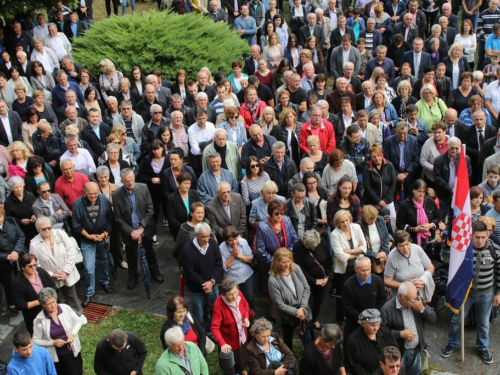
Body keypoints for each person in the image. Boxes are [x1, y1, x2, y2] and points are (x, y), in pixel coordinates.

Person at [440, 221, 500, 365]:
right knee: (457, 320)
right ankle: (452, 343)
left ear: (488, 235)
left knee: (484, 322)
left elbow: (499, 272)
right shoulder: (464, 250)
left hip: (486, 293)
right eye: (477, 237)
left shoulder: (495, 249)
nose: (480, 240)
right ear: (471, 236)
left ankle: (483, 347)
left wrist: (498, 293)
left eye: (483, 237)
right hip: (465, 294)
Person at [113, 169, 164, 290]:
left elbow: (150, 210)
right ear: (121, 181)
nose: (130, 183)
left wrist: (141, 228)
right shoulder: (116, 195)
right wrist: (131, 231)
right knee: (130, 255)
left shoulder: (143, 188)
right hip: (129, 231)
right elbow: (118, 218)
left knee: (150, 251)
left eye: (132, 180)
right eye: (127, 181)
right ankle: (132, 276)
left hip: (144, 228)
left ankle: (155, 272)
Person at [380, 281, 437, 375]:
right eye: (409, 300)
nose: (412, 302)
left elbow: (433, 319)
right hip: (400, 353)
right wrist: (400, 334)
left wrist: (422, 309)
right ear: (399, 296)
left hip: (416, 350)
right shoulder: (387, 309)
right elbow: (382, 333)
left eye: (414, 298)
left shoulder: (418, 301)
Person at [30, 217, 82, 316]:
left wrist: (66, 271)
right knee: (57, 298)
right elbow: (36, 264)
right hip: (51, 276)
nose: (47, 231)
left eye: (49, 228)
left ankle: (78, 314)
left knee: (72, 295)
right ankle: (62, 316)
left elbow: (71, 252)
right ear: (38, 229)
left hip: (67, 271)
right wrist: (51, 274)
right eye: (43, 229)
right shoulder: (34, 243)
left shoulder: (60, 234)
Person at [180, 222, 222, 333]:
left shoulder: (213, 243)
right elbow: (189, 272)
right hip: (197, 289)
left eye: (208, 236)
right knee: (198, 313)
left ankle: (213, 331)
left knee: (214, 309)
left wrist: (212, 282)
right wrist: (205, 284)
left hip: (213, 285)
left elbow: (219, 263)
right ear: (196, 234)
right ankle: (201, 334)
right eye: (203, 237)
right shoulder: (187, 249)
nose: (206, 239)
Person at [268, 247, 312, 351]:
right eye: (284, 262)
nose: (287, 265)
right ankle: (289, 360)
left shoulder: (296, 268)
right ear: (277, 262)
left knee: (309, 335)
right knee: (288, 338)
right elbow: (279, 304)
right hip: (286, 315)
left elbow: (306, 288)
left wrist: (303, 307)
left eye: (289, 261)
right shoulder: (273, 280)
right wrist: (297, 312)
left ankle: (309, 355)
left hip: (303, 308)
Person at [32, 287, 83, 375]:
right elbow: (36, 340)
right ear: (43, 305)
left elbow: (78, 321)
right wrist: (53, 342)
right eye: (49, 304)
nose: (53, 305)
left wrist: (72, 334)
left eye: (54, 302)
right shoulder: (39, 320)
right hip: (57, 356)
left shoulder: (65, 308)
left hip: (72, 350)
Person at [255, 199, 298, 301]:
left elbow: (294, 239)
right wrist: (277, 262)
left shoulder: (287, 220)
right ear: (270, 213)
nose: (280, 216)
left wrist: (286, 258)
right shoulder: (262, 226)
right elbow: (261, 251)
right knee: (273, 293)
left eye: (282, 213)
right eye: (276, 214)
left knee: (288, 290)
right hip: (270, 265)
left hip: (287, 262)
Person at [331, 209, 367, 323]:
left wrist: (348, 251)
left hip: (357, 266)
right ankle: (340, 317)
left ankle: (355, 315)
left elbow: (364, 249)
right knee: (341, 294)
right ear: (338, 223)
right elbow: (340, 256)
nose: (345, 224)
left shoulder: (356, 227)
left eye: (347, 220)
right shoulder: (334, 234)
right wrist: (355, 251)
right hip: (342, 269)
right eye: (342, 222)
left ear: (350, 219)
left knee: (357, 291)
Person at [342, 255, 387, 343]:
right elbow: (347, 308)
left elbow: (382, 300)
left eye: (368, 269)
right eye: (363, 270)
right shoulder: (348, 285)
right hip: (356, 324)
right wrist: (363, 319)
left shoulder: (377, 281)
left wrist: (373, 317)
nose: (366, 273)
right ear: (356, 269)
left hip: (374, 322)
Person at [211, 278, 252, 374]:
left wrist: (246, 317)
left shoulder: (239, 295)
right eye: (230, 294)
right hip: (230, 342)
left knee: (242, 358)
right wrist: (222, 343)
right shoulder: (218, 305)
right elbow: (214, 328)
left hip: (242, 336)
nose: (234, 296)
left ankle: (241, 370)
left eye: (235, 292)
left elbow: (246, 305)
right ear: (224, 294)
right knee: (231, 365)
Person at [293, 229, 331, 330]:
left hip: (323, 279)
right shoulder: (297, 247)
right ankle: (304, 321)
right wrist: (314, 281)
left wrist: (327, 276)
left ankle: (314, 319)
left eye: (315, 247)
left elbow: (328, 259)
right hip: (307, 281)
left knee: (319, 300)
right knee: (305, 301)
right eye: (311, 247)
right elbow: (300, 269)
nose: (313, 249)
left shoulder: (321, 241)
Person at [12, 254, 57, 336]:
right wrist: (41, 301)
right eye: (29, 266)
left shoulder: (41, 271)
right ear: (22, 267)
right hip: (34, 316)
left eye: (35, 265)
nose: (33, 268)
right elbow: (20, 305)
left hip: (51, 310)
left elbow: (52, 285)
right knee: (40, 337)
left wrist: (49, 299)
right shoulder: (18, 282)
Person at [384, 230, 435, 300]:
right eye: (401, 246)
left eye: (407, 244)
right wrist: (407, 285)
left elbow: (430, 267)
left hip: (419, 294)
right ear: (396, 246)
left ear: (411, 241)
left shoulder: (417, 249)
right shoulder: (392, 257)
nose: (405, 248)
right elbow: (387, 281)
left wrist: (422, 280)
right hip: (402, 296)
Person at [345, 308, 398, 375]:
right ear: (363, 324)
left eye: (378, 324)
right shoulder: (353, 341)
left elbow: (395, 352)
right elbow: (354, 366)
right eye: (372, 325)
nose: (376, 328)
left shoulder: (386, 334)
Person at [362, 144, 397, 216]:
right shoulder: (367, 168)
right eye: (374, 157)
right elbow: (367, 187)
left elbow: (393, 184)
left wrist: (385, 200)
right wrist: (378, 201)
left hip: (387, 200)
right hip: (372, 201)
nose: (377, 159)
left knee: (392, 221)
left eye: (378, 156)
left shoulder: (389, 165)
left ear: (382, 155)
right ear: (371, 158)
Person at [4, 176, 37, 248]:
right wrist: (20, 221)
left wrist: (35, 215)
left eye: (20, 186)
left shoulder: (30, 195)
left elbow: (37, 208)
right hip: (21, 229)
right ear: (12, 188)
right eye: (16, 187)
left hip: (34, 226)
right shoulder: (8, 202)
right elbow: (8, 218)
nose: (19, 189)